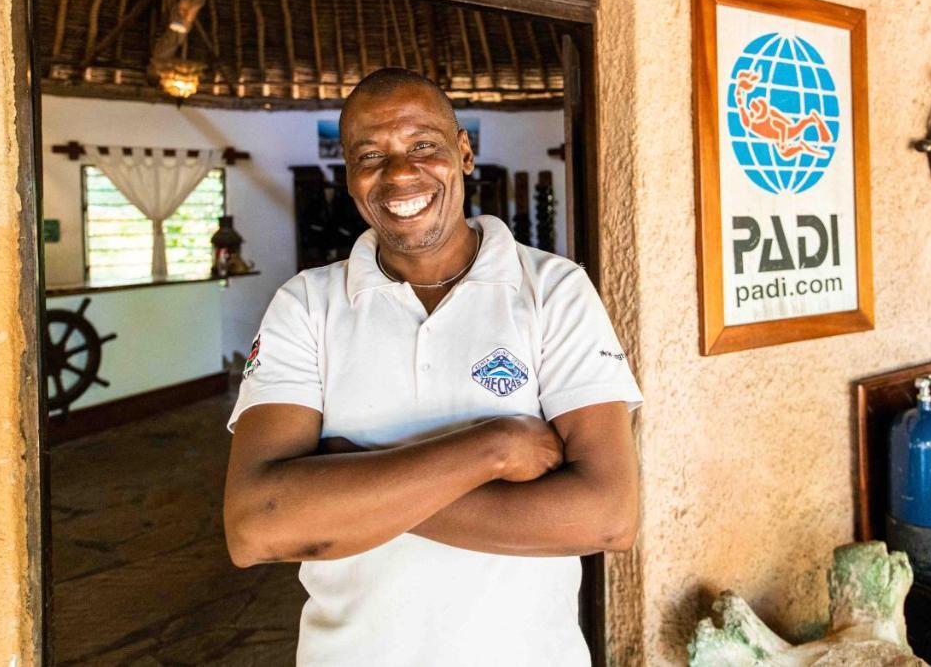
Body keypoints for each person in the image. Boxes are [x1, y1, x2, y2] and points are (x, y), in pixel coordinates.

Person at [223, 68, 642, 666]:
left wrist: (349, 481)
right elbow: (256, 529)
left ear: (463, 154)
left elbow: (607, 517)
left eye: (423, 145)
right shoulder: (305, 305)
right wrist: (493, 448)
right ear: (350, 178)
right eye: (371, 155)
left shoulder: (554, 290)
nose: (399, 174)